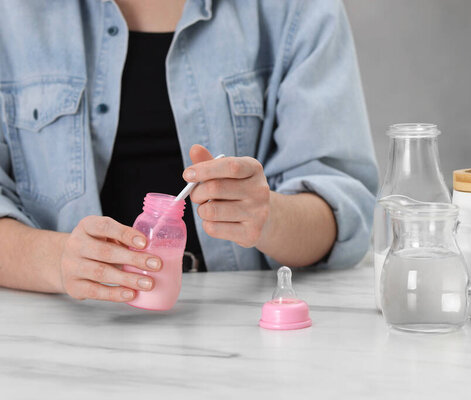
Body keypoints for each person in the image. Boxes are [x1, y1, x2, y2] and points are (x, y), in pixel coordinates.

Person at [0, 0, 377, 302]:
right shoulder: (13, 14)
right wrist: (59, 259)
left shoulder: (295, 9)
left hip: (236, 325)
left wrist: (267, 216)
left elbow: (344, 212)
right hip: (60, 332)